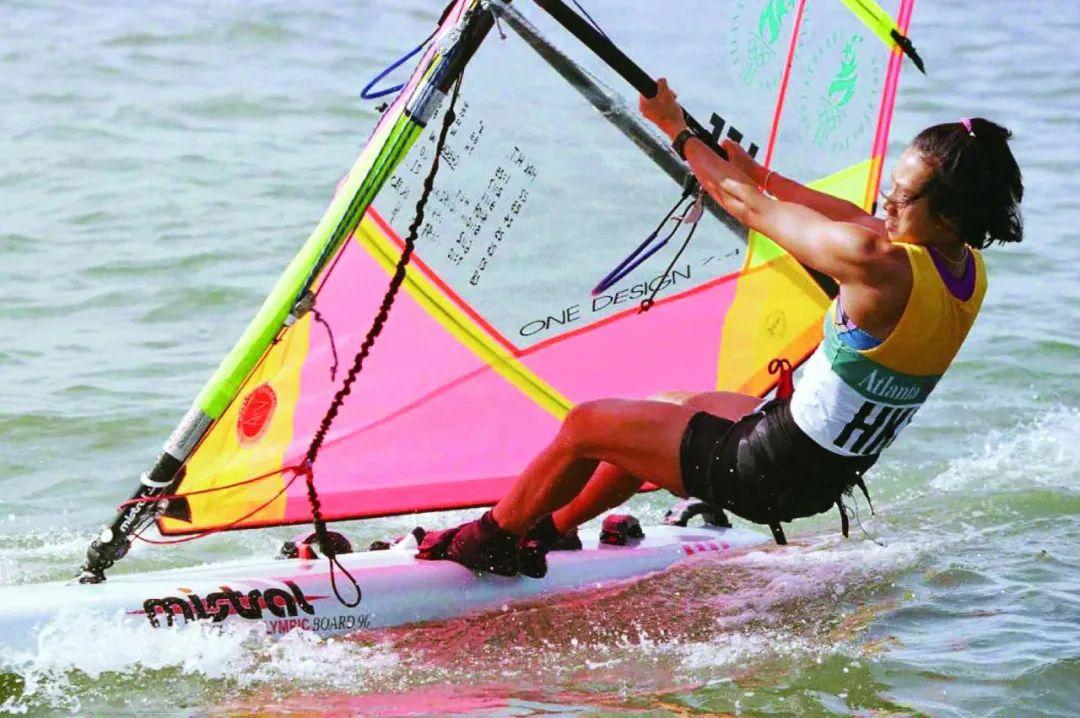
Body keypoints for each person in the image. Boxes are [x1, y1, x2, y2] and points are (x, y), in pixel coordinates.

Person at [418, 78, 1024, 577]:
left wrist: (675, 128)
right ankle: (552, 529)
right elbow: (841, 213)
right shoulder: (965, 270)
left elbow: (745, 207)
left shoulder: (877, 263)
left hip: (766, 469)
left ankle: (489, 540)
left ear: (948, 216)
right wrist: (760, 173)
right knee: (664, 408)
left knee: (586, 426)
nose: (885, 205)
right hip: (820, 473)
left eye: (902, 198)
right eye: (888, 189)